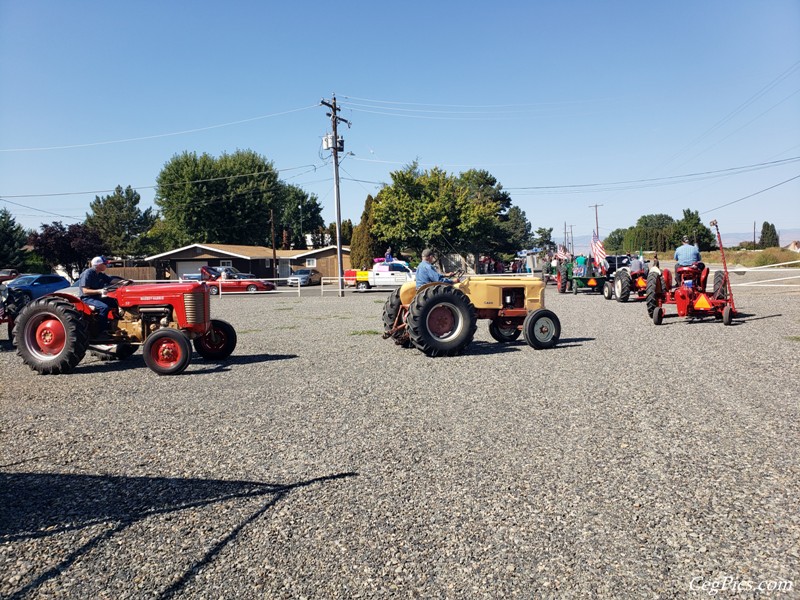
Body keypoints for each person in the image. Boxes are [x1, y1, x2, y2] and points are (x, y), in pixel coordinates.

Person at [77, 256, 123, 331]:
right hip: (87, 298)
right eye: (104, 264)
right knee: (104, 307)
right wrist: (100, 291)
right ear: (98, 265)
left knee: (114, 302)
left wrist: (124, 282)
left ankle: (116, 324)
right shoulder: (88, 273)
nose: (106, 265)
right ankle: (101, 330)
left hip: (97, 297)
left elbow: (111, 280)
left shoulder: (100, 274)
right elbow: (85, 291)